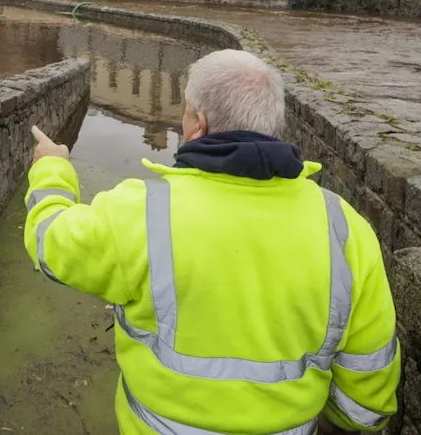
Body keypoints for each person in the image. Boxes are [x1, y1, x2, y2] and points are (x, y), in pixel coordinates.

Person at [25, 49, 400, 434]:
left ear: (198, 125)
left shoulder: (140, 211)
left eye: (184, 111)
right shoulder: (344, 227)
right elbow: (367, 387)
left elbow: (51, 243)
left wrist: (52, 169)